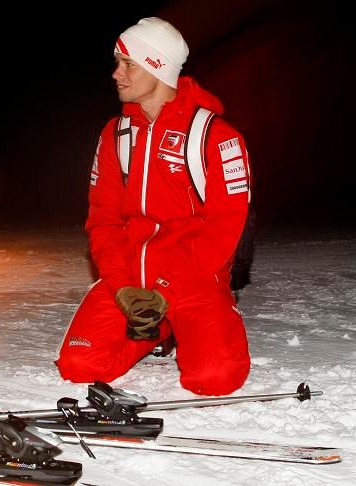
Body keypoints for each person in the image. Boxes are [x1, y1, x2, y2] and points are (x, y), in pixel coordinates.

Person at [56, 17, 252, 396]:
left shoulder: (216, 137)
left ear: (158, 67)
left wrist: (167, 290)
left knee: (213, 379)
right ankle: (159, 327)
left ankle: (186, 321)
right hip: (131, 277)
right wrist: (124, 287)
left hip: (193, 279)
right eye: (117, 63)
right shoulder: (116, 135)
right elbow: (103, 220)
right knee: (80, 366)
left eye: (128, 64)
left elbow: (224, 228)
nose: (116, 74)